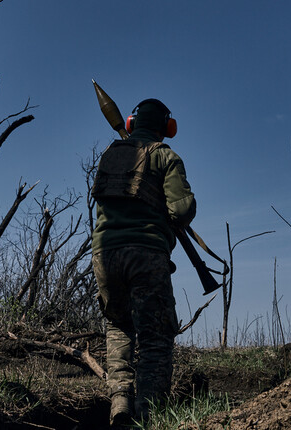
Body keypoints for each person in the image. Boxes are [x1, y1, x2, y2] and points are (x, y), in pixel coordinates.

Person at [91, 98, 197, 426]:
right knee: (156, 333)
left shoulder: (111, 153)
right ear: (167, 128)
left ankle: (120, 400)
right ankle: (150, 411)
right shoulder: (166, 157)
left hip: (104, 255)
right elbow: (182, 210)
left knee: (118, 324)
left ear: (131, 123)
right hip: (146, 254)